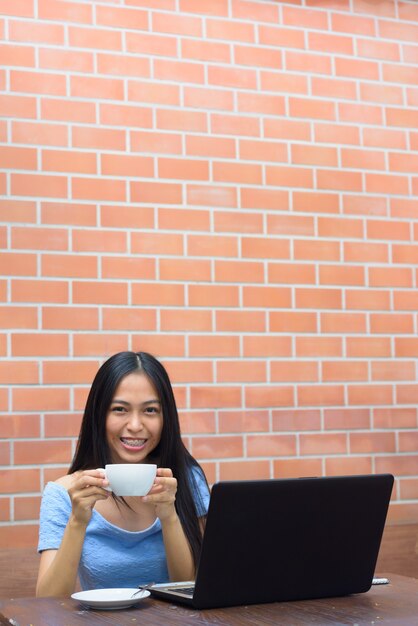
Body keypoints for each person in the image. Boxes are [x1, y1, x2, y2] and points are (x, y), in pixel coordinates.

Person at [36, 351, 210, 597]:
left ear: (166, 417)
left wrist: (169, 515)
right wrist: (78, 521)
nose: (136, 425)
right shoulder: (64, 493)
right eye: (120, 409)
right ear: (99, 415)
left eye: (150, 410)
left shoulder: (187, 479)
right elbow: (48, 603)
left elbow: (190, 586)